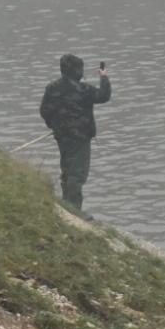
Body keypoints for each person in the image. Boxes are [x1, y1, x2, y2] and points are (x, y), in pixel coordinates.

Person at [38, 53, 112, 213]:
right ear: (77, 70)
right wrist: (104, 77)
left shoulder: (51, 88)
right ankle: (74, 210)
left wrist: (53, 126)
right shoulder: (83, 89)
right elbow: (104, 96)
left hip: (61, 137)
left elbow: (44, 111)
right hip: (81, 139)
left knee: (66, 170)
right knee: (77, 174)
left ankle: (66, 203)